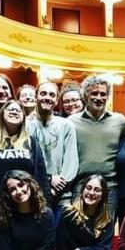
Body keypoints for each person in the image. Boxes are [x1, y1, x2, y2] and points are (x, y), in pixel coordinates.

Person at [0, 99, 51, 216]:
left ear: (23, 117)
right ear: (2, 113)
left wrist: (46, 205)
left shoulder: (31, 142)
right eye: (10, 109)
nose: (14, 111)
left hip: (27, 206)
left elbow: (42, 175)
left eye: (18, 110)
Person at [68, 76, 125, 220]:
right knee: (79, 227)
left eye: (103, 94)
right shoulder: (71, 122)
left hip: (110, 186)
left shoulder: (119, 121)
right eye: (94, 93)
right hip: (81, 185)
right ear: (85, 96)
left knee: (107, 230)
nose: (99, 97)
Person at [27, 82, 79, 219]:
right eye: (43, 93)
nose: (47, 98)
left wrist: (57, 187)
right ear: (36, 97)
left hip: (62, 195)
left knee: (60, 238)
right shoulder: (26, 126)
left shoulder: (66, 125)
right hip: (33, 193)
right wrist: (47, 181)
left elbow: (71, 160)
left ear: (56, 100)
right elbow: (26, 160)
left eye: (52, 95)